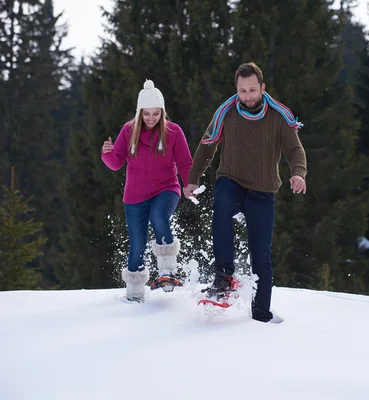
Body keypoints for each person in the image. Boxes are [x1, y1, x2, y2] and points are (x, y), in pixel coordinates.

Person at [184, 62, 307, 323]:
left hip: (262, 191)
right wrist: (194, 177)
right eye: (242, 91)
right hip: (232, 180)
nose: (248, 96)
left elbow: (295, 150)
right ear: (236, 90)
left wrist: (298, 172)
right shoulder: (225, 114)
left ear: (262, 88)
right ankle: (224, 276)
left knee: (261, 256)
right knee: (221, 204)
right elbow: (207, 146)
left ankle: (260, 314)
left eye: (252, 90)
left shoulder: (278, 116)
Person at [101, 79, 193, 303]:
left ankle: (167, 270)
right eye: (147, 114)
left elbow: (185, 163)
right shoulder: (128, 131)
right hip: (134, 197)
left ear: (162, 112)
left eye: (156, 114)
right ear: (139, 112)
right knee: (137, 245)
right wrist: (107, 153)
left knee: (159, 216)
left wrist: (190, 183)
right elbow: (116, 163)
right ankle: (134, 296)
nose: (151, 118)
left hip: (166, 188)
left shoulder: (173, 132)